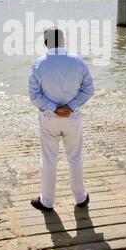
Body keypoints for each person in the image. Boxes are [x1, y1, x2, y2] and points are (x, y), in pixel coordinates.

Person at [28, 27, 94, 212]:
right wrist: (70, 106)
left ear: (45, 43)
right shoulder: (77, 61)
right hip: (72, 117)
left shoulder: (38, 64)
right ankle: (81, 198)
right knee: (74, 157)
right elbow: (88, 90)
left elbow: (34, 96)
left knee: (49, 158)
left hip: (49, 118)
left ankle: (47, 201)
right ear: (63, 41)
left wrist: (53, 108)